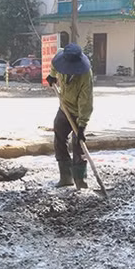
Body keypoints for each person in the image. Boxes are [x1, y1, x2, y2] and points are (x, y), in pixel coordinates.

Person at [46, 43, 94, 189]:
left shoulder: (85, 75)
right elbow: (54, 66)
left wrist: (81, 126)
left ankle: (80, 181)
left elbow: (85, 102)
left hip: (79, 112)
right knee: (59, 136)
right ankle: (65, 177)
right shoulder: (60, 57)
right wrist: (52, 76)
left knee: (78, 144)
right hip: (64, 107)